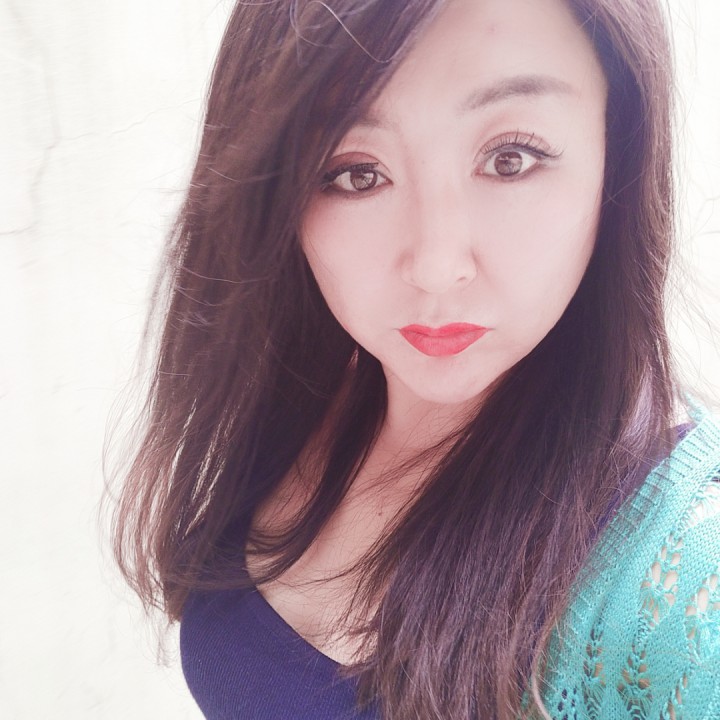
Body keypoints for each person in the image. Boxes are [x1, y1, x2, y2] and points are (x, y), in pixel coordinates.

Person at [110, 0, 720, 717]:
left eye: (510, 158)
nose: (435, 267)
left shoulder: (686, 585)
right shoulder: (316, 380)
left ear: (617, 153)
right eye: (355, 172)